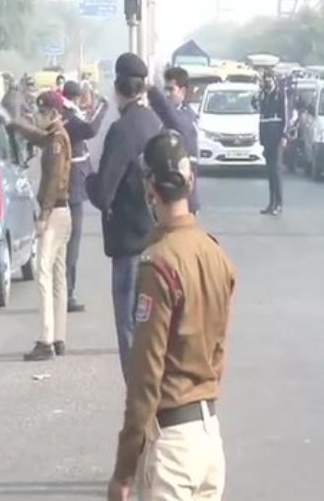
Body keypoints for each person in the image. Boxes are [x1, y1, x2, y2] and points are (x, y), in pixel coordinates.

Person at [107, 131, 235, 501]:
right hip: (210, 439)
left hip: (173, 445)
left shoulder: (159, 263)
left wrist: (124, 470)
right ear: (190, 179)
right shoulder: (216, 255)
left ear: (150, 187)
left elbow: (146, 377)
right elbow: (218, 354)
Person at [85, 53, 162, 379]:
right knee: (152, 327)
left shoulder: (122, 129)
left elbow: (104, 194)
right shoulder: (153, 122)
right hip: (157, 239)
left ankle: (138, 403)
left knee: (129, 326)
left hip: (130, 245)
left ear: (118, 88)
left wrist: (87, 176)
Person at [2, 91, 72, 361]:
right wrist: (17, 124)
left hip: (54, 213)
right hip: (61, 212)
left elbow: (53, 180)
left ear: (53, 114)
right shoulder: (55, 136)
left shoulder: (57, 141)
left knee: (43, 275)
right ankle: (59, 337)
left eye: (42, 113)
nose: (39, 117)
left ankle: (45, 341)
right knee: (58, 277)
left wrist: (43, 216)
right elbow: (36, 137)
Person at [62, 80, 109, 312]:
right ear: (79, 97)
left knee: (69, 243)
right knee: (72, 244)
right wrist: (103, 106)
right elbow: (91, 129)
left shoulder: (68, 115)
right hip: (73, 190)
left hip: (71, 188)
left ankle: (65, 290)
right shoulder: (70, 118)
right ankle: (67, 292)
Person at [147, 67, 201, 213]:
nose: (167, 94)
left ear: (183, 92)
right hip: (164, 196)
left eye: (171, 89)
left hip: (183, 199)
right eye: (165, 89)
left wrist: (152, 91)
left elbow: (172, 117)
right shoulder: (164, 118)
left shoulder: (186, 117)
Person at [252, 71, 288, 215]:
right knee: (270, 172)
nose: (268, 81)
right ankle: (271, 203)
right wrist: (258, 91)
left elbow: (286, 115)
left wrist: (284, 135)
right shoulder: (263, 94)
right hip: (266, 136)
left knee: (276, 171)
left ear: (274, 79)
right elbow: (254, 105)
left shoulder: (280, 95)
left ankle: (278, 204)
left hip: (277, 136)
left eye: (270, 78)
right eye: (265, 78)